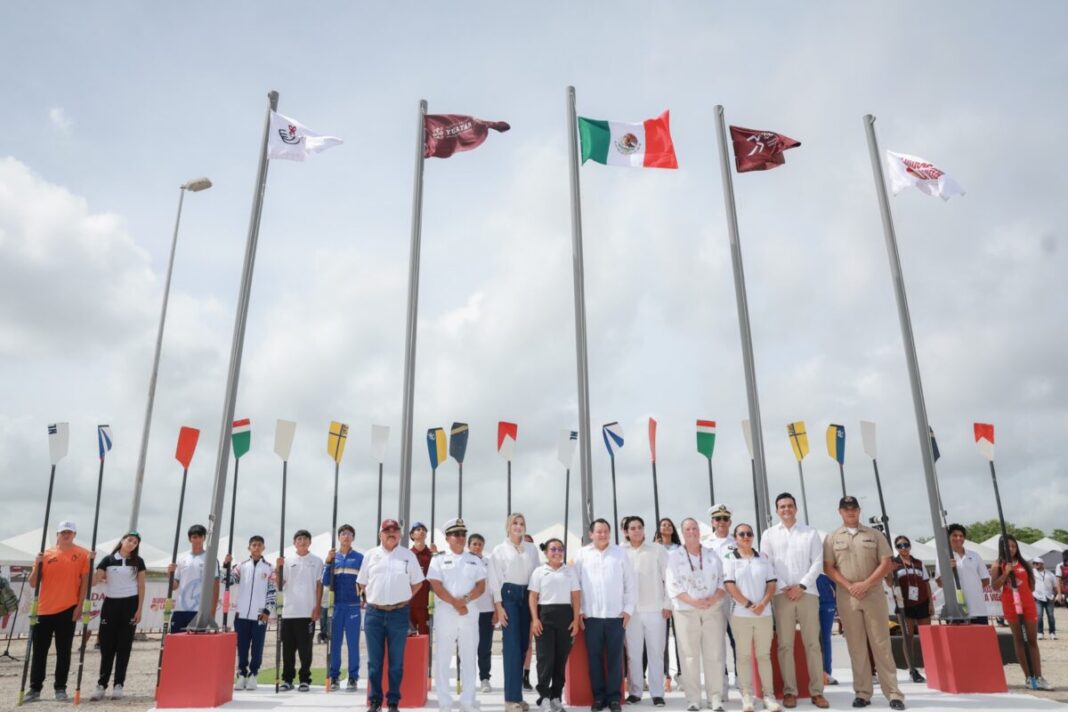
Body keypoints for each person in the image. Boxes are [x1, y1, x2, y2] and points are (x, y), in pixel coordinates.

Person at [823, 496, 905, 710]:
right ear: (839, 511)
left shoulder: (875, 535)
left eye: (853, 508)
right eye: (846, 509)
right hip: (847, 596)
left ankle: (894, 693)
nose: (850, 512)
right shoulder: (832, 538)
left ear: (859, 510)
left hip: (873, 594)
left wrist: (866, 584)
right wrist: (850, 586)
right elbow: (828, 567)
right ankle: (862, 692)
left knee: (881, 644)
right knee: (856, 646)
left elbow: (886, 563)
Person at [760, 493, 829, 709]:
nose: (786, 509)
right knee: (785, 645)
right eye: (782, 506)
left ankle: (817, 692)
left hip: (807, 593)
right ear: (777, 510)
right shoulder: (769, 534)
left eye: (790, 506)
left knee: (812, 644)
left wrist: (801, 586)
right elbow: (766, 564)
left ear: (796, 508)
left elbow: (817, 563)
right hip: (782, 595)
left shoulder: (810, 533)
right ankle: (790, 691)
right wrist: (784, 586)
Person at [358, 519, 425, 712]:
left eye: (395, 530)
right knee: (374, 662)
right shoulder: (371, 555)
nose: (391, 533)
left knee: (396, 662)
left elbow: (418, 583)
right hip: (374, 613)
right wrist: (370, 596)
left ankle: (393, 701)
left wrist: (403, 597)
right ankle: (375, 701)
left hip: (399, 613)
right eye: (387, 530)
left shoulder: (408, 556)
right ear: (380, 534)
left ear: (400, 534)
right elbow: (362, 582)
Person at [573, 518, 636, 712]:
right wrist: (580, 611)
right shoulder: (582, 554)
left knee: (616, 658)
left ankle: (614, 698)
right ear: (591, 534)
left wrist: (628, 609)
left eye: (606, 531)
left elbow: (630, 584)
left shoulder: (620, 554)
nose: (603, 534)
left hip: (616, 616)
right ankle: (599, 697)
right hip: (591, 617)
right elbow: (576, 584)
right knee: (594, 658)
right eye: (598, 531)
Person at [666, 518, 728, 712]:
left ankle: (715, 697)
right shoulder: (675, 557)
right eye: (687, 529)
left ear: (699, 531)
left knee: (714, 654)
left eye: (694, 528)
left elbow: (722, 581)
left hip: (712, 609)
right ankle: (693, 699)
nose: (692, 532)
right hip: (686, 610)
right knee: (689, 656)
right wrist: (693, 601)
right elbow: (673, 585)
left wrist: (711, 599)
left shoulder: (711, 555)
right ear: (683, 533)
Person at [25, 521, 90, 703]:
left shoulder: (83, 554)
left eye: (69, 532)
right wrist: (37, 564)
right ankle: (35, 688)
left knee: (64, 651)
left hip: (68, 608)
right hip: (43, 610)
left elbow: (85, 581)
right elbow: (32, 582)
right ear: (57, 534)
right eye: (63, 532)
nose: (66, 535)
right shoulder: (45, 554)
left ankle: (60, 688)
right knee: (39, 651)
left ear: (74, 534)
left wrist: (79, 605)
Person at [428, 518, 487, 712]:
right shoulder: (438, 559)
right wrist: (455, 603)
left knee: (469, 658)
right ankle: (445, 703)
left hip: (469, 613)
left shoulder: (474, 560)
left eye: (463, 534)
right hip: (446, 613)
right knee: (443, 658)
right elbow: (436, 585)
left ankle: (468, 702)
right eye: (457, 534)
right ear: (447, 538)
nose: (461, 538)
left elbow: (481, 586)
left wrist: (465, 600)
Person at [723, 522, 780, 712]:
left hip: (764, 614)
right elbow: (730, 586)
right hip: (741, 615)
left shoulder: (763, 558)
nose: (746, 537)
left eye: (749, 534)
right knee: (744, 656)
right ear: (736, 537)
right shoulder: (730, 558)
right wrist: (748, 604)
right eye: (741, 534)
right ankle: (746, 696)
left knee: (764, 656)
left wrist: (762, 603)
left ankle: (769, 696)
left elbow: (771, 584)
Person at [488, 513, 541, 712]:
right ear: (508, 527)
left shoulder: (532, 549)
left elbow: (536, 576)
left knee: (523, 646)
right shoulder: (499, 550)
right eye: (515, 523)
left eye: (522, 524)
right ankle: (511, 700)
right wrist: (499, 606)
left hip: (526, 596)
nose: (518, 527)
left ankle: (517, 695)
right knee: (511, 647)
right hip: (508, 597)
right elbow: (494, 579)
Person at [990, 535, 1052, 690]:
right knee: (1019, 640)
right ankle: (1028, 677)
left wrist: (1023, 595)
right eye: (1007, 546)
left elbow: (1030, 585)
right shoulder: (998, 564)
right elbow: (995, 587)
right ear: (1001, 548)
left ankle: (1039, 676)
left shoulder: (1025, 564)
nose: (1011, 549)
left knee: (1032, 640)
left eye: (1013, 546)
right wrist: (1006, 573)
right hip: (1010, 605)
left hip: (1027, 604)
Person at [89, 532, 146, 701]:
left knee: (124, 647)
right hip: (111, 605)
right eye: (130, 540)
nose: (132, 544)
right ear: (122, 540)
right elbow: (94, 581)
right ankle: (101, 685)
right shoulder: (108, 559)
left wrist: (139, 609)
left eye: (135, 542)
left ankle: (118, 685)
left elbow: (141, 586)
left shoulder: (138, 561)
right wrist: (90, 562)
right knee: (107, 647)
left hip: (130, 605)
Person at [621, 515, 670, 706]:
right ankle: (635, 692)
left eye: (639, 527)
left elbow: (669, 577)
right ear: (626, 531)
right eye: (632, 528)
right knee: (633, 654)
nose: (636, 531)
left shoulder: (657, 550)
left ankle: (657, 693)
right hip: (631, 612)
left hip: (656, 610)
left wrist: (668, 604)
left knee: (656, 652)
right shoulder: (620, 552)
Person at [529, 537, 581, 712]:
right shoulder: (539, 572)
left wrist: (575, 620)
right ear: (546, 552)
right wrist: (535, 619)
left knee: (560, 660)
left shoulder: (570, 572)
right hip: (545, 617)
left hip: (565, 617)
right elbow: (533, 597)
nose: (557, 552)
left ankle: (556, 697)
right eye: (553, 549)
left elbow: (575, 597)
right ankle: (544, 696)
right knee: (545, 660)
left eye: (560, 549)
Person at [275, 529, 323, 692]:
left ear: (310, 542)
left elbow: (319, 585)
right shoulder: (287, 561)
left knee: (305, 650)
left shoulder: (317, 561)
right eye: (299, 539)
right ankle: (287, 680)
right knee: (287, 649)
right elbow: (280, 585)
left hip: (307, 612)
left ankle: (304, 679)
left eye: (305, 539)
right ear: (294, 542)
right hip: (289, 612)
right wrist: (277, 568)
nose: (302, 542)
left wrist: (317, 607)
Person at [226, 535, 276, 691]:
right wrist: (226, 566)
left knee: (257, 646)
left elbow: (272, 590)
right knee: (241, 646)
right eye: (253, 545)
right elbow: (228, 580)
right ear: (249, 548)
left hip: (260, 614)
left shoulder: (269, 568)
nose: (256, 547)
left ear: (263, 548)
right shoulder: (241, 566)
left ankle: (253, 674)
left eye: (259, 545)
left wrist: (267, 610)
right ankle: (241, 674)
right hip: (241, 614)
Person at [886, 535, 932, 683]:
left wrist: (931, 603)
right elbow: (889, 583)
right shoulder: (894, 563)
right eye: (900, 546)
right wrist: (888, 570)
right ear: (896, 548)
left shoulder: (918, 563)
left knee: (927, 636)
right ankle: (912, 670)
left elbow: (926, 584)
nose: (903, 548)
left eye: (906, 544)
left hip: (922, 602)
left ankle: (932, 667)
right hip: (904, 605)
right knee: (908, 637)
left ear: (910, 546)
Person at [324, 523, 364, 691]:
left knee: (353, 643)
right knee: (335, 644)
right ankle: (334, 676)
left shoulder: (360, 558)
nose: (346, 536)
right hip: (336, 606)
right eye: (343, 534)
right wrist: (327, 563)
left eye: (349, 534)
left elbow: (365, 581)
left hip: (353, 606)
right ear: (339, 537)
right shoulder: (333, 558)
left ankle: (353, 677)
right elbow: (326, 581)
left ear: (353, 538)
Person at [704, 504, 737, 695]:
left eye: (725, 519)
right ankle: (720, 685)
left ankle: (742, 683)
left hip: (734, 598)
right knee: (716, 643)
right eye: (718, 519)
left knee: (737, 640)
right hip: (714, 597)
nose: (721, 523)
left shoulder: (738, 542)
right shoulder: (706, 545)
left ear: (730, 522)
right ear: (712, 523)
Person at [168, 524, 220, 633]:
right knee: (177, 646)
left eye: (200, 537)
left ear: (204, 538)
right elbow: (174, 586)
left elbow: (215, 586)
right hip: (180, 610)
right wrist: (170, 574)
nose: (197, 540)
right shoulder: (182, 559)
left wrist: (212, 613)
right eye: (194, 537)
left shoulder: (211, 559)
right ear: (189, 539)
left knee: (196, 647)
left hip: (199, 611)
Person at [934, 523, 990, 624]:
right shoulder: (942, 557)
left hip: (977, 608)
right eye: (954, 535)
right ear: (948, 537)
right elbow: (940, 583)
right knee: (958, 639)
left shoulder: (975, 555)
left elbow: (986, 580)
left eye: (961, 536)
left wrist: (972, 589)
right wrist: (948, 569)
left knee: (980, 639)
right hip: (955, 609)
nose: (958, 538)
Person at [653, 517, 682, 689]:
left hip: (678, 595)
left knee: (680, 638)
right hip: (659, 596)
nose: (667, 527)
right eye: (663, 525)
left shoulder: (679, 549)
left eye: (670, 524)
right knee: (661, 639)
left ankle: (682, 675)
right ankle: (666, 676)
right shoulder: (654, 548)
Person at [468, 533, 496, 693]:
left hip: (486, 611)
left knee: (484, 647)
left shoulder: (489, 563)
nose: (477, 547)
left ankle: (485, 678)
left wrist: (496, 611)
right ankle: (467, 678)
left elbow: (494, 587)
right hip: (468, 611)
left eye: (480, 544)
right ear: (469, 545)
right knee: (467, 647)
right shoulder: (463, 561)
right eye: (474, 544)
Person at [409, 521, 434, 635]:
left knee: (425, 637)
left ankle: (426, 654)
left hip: (426, 605)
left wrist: (438, 555)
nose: (422, 531)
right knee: (409, 638)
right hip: (409, 604)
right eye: (418, 529)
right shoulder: (407, 555)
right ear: (412, 535)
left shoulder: (432, 555)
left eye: (424, 529)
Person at [816, 573, 838, 686]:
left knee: (825, 638)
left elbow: (836, 584)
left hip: (827, 604)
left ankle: (827, 673)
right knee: (812, 640)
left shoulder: (825, 559)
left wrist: (836, 603)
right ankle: (814, 673)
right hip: (809, 603)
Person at [1032, 558, 1057, 640]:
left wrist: (1056, 595)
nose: (1035, 565)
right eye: (1034, 563)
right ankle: (1040, 632)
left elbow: (1055, 586)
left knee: (1051, 616)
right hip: (1037, 597)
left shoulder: (1050, 574)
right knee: (1039, 615)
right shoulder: (1032, 572)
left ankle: (1052, 633)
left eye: (1037, 563)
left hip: (1049, 597)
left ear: (1042, 564)